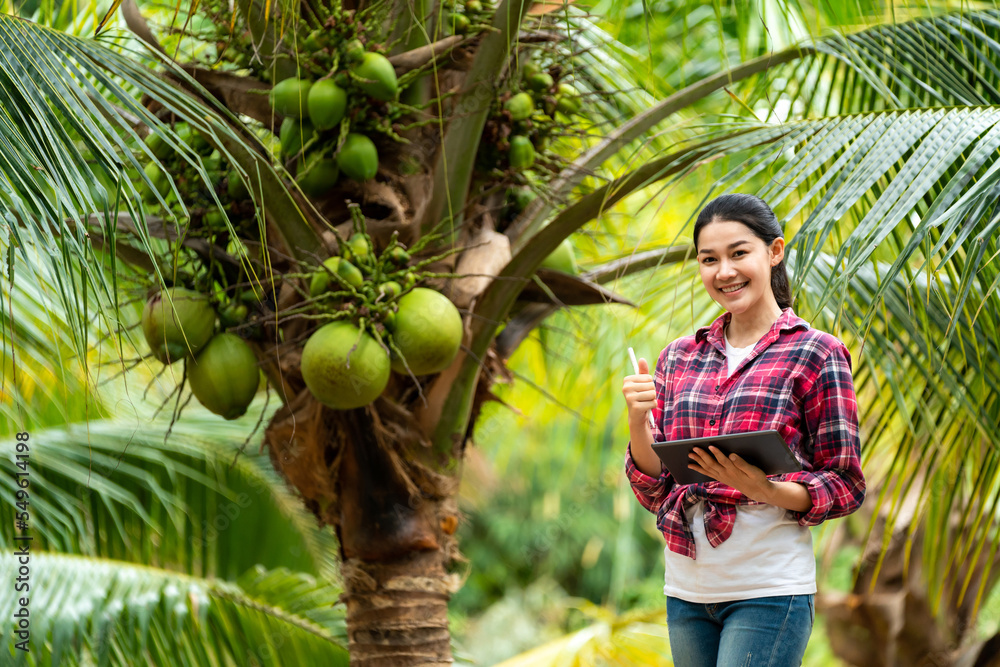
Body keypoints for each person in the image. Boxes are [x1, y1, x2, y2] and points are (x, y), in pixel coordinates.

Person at [621, 193, 866, 667]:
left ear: (773, 252)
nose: (724, 271)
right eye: (709, 259)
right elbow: (655, 485)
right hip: (686, 591)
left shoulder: (817, 353)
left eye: (738, 253)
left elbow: (845, 484)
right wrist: (637, 418)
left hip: (770, 590)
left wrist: (767, 490)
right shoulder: (678, 357)